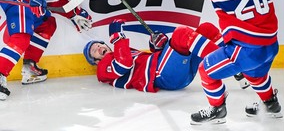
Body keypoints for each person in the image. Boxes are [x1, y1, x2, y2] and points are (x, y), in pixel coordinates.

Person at [138, 0, 284, 123]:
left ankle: (217, 109)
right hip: (271, 45)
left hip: (247, 48)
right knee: (256, 75)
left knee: (206, 70)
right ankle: (271, 104)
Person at [83, 19, 248, 92]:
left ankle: (239, 72)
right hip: (163, 77)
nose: (98, 48)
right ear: (95, 61)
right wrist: (117, 36)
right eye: (93, 51)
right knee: (181, 33)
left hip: (170, 70)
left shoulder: (122, 51)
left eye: (98, 44)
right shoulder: (103, 68)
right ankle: (233, 64)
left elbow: (146, 61)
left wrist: (157, 45)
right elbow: (124, 65)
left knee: (206, 29)